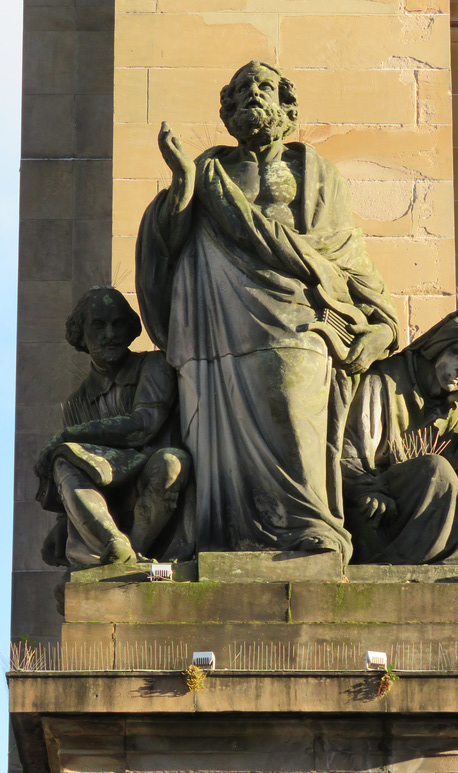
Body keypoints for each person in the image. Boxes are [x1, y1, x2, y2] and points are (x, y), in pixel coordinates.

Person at [136, 61, 399, 563]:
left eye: (265, 88)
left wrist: (382, 324)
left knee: (293, 400)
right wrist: (182, 185)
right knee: (212, 428)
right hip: (214, 317)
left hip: (297, 313)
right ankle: (226, 535)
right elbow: (163, 249)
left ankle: (310, 523)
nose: (253, 96)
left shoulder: (317, 175)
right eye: (242, 90)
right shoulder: (209, 172)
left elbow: (343, 253)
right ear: (228, 110)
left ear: (287, 108)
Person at [341, 309, 458, 581]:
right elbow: (348, 451)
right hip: (383, 506)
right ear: (439, 346)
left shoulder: (453, 405)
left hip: (428, 505)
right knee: (434, 467)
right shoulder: (384, 380)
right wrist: (369, 491)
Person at [35, 287, 191, 568]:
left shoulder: (153, 365)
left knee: (171, 462)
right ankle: (112, 542)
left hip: (149, 473)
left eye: (118, 324)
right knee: (64, 457)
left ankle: (129, 558)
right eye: (99, 325)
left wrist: (70, 434)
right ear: (80, 334)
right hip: (109, 493)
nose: (110, 334)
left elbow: (143, 425)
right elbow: (76, 472)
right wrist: (62, 522)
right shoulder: (76, 403)